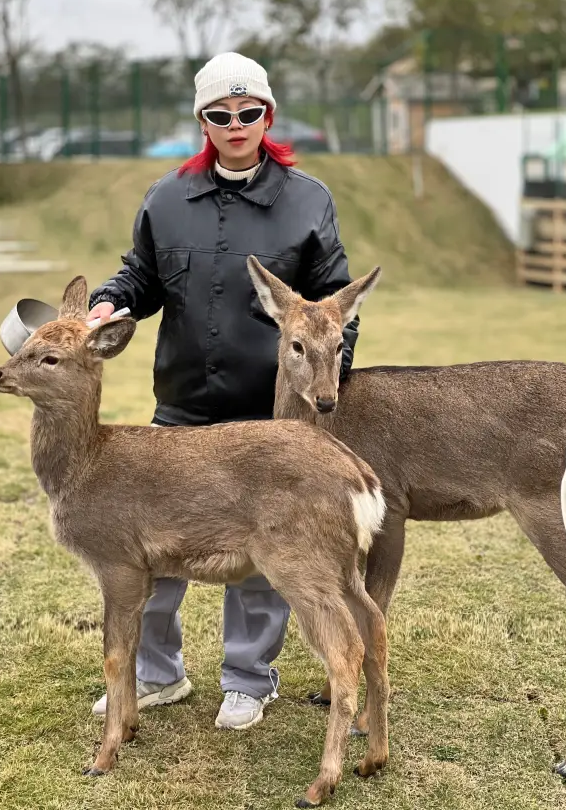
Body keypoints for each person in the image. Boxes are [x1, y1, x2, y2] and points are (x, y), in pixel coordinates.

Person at [86, 52, 360, 730]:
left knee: (266, 550)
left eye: (249, 112)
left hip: (269, 416)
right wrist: (107, 303)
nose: (236, 124)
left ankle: (249, 678)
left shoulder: (309, 199)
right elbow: (139, 279)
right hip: (181, 404)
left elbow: (336, 304)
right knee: (152, 542)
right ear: (201, 120)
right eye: (219, 114)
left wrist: (326, 382)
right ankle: (155, 674)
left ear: (267, 115)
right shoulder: (165, 198)